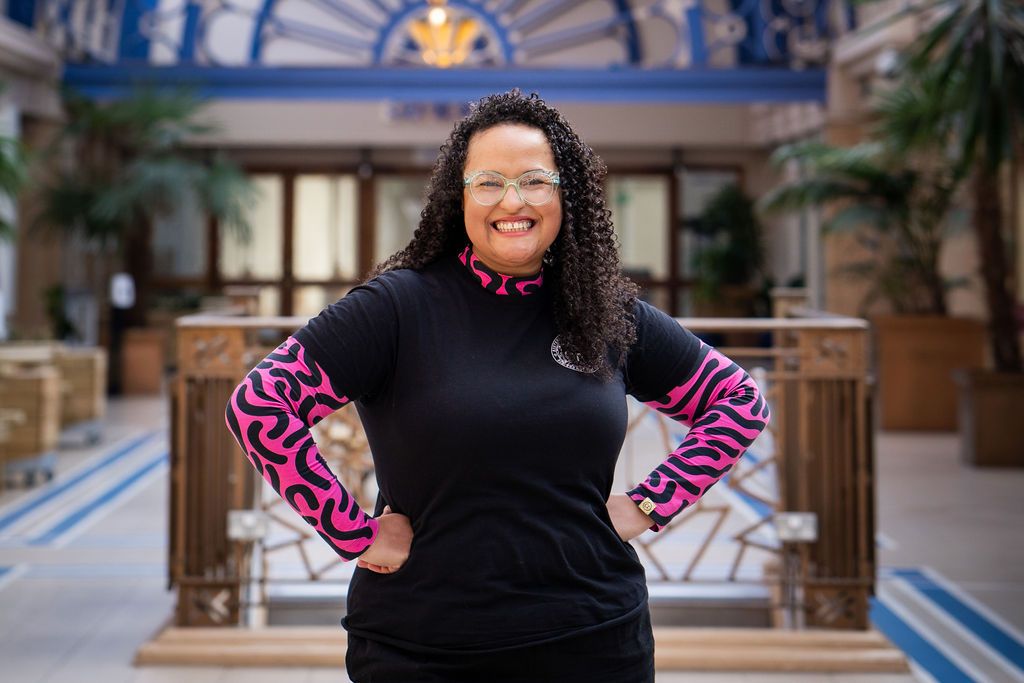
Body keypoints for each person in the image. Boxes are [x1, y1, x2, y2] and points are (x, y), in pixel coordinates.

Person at [225, 90, 770, 682]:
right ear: (458, 198)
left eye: (535, 180)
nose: (513, 201)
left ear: (565, 195)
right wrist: (352, 533)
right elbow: (259, 405)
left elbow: (737, 401)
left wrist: (650, 503)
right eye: (488, 182)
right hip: (424, 646)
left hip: (594, 640)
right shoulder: (398, 308)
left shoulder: (603, 311)